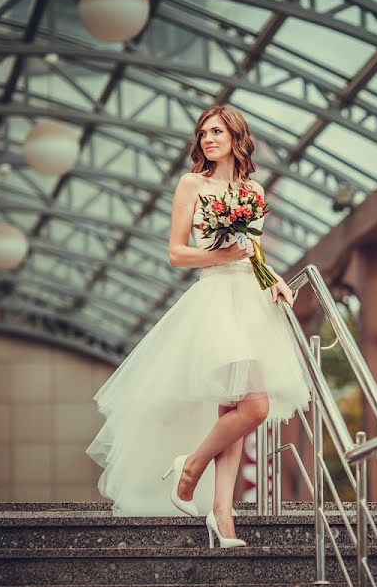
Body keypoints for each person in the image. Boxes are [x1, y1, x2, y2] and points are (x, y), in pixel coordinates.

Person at [86, 105, 311, 548]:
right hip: (214, 299)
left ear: (235, 138)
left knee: (237, 411)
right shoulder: (192, 184)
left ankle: (222, 515)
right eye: (203, 132)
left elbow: (254, 251)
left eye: (217, 131)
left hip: (250, 301)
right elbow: (175, 253)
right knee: (254, 407)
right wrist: (220, 256)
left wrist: (276, 279)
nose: (208, 138)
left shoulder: (252, 189)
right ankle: (189, 468)